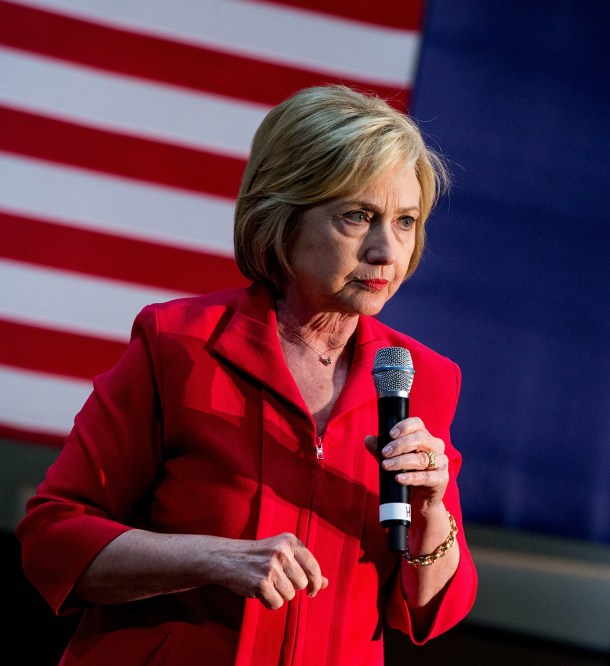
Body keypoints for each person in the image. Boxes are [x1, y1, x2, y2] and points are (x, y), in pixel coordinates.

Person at [16, 84, 477, 665]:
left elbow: (433, 612)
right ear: (284, 216)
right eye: (358, 217)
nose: (387, 250)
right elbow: (55, 536)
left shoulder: (421, 379)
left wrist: (432, 511)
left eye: (405, 221)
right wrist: (213, 558)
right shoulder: (178, 344)